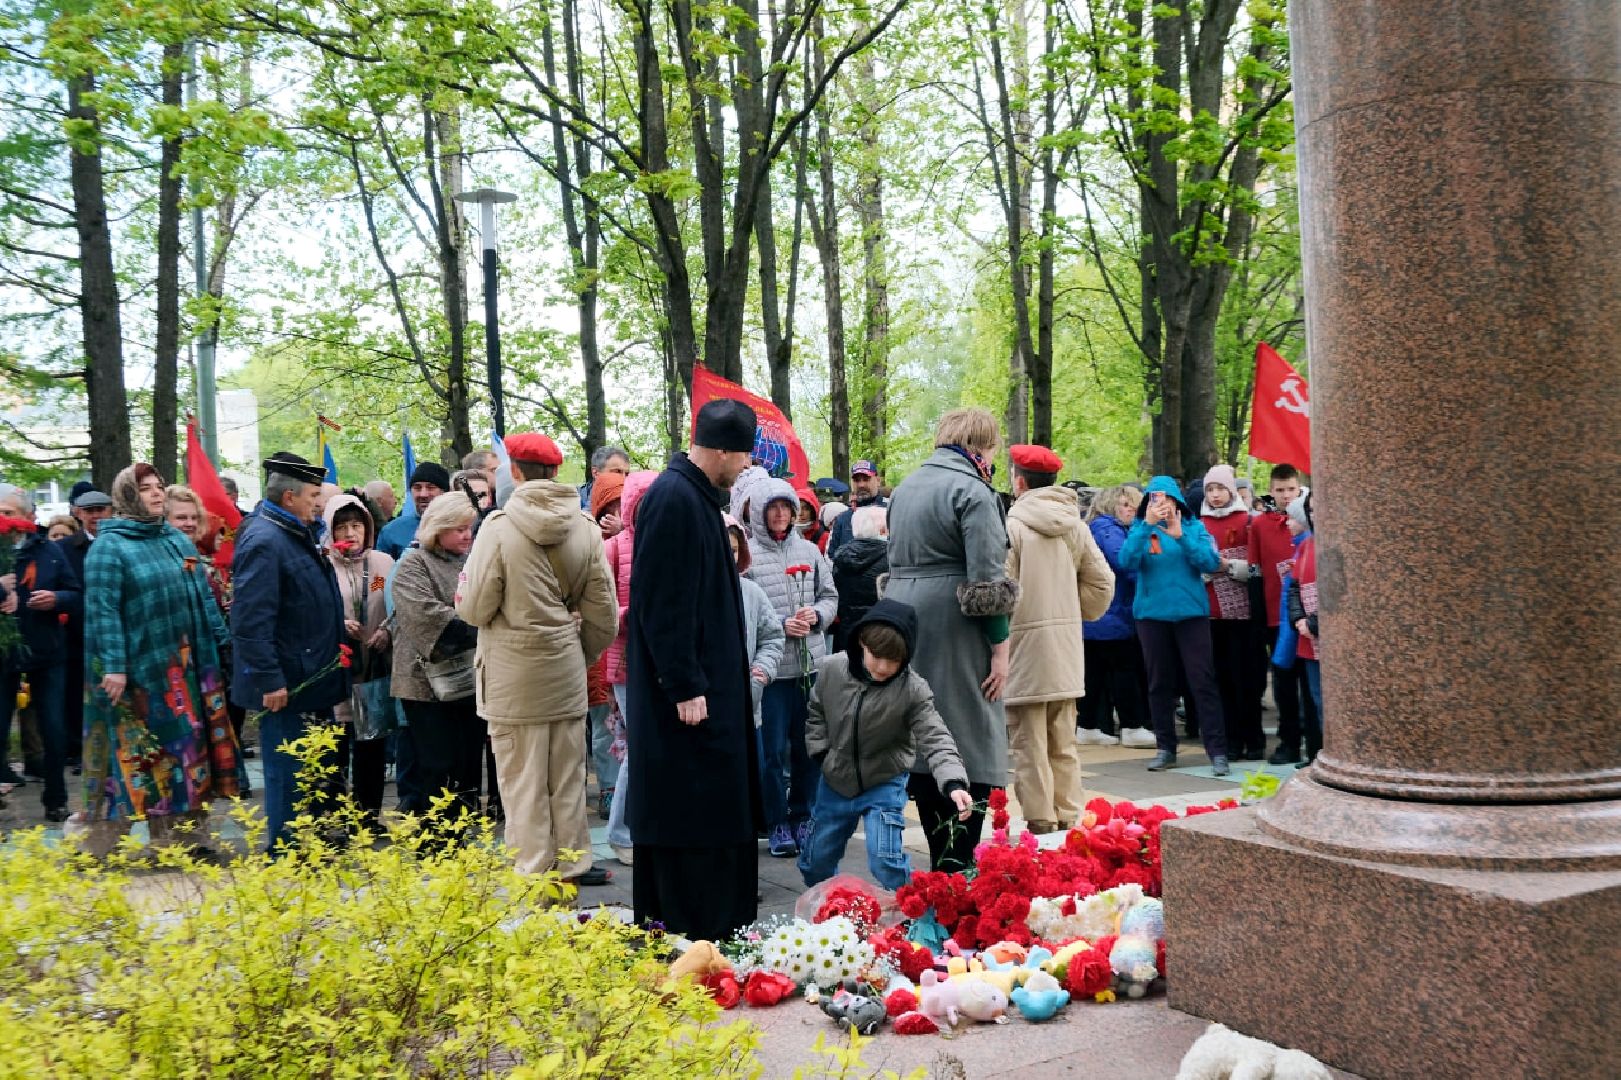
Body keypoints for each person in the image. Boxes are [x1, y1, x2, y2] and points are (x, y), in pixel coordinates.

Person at [625, 398, 764, 943]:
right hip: (687, 695)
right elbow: (663, 601)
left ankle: (719, 922)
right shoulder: (674, 499)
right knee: (691, 807)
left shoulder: (696, 497)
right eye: (743, 456)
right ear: (723, 450)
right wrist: (682, 682)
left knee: (714, 804)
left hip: (710, 686)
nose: (746, 466)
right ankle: (689, 926)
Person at [457, 433, 618, 885]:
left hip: (511, 683)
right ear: (556, 470)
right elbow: (604, 618)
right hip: (565, 678)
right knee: (567, 787)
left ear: (515, 471)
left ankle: (533, 887)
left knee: (523, 789)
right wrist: (573, 654)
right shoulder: (586, 527)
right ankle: (571, 876)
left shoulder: (498, 527)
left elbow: (473, 608)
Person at [80, 464, 242, 854]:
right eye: (146, 488)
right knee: (136, 762)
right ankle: (98, 848)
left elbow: (202, 597)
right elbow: (103, 611)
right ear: (127, 496)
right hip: (139, 675)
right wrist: (115, 667)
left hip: (186, 671)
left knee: (188, 755)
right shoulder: (109, 546)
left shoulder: (176, 540)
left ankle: (187, 843)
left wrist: (224, 645)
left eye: (158, 486)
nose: (156, 493)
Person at [885, 407, 1017, 872]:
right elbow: (987, 585)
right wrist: (1000, 650)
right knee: (970, 732)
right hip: (954, 625)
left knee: (922, 730)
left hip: (904, 619)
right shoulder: (974, 491)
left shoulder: (905, 487)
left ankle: (942, 853)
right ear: (983, 446)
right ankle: (956, 864)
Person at [799, 599, 971, 890]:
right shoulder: (831, 669)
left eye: (893, 660)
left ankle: (916, 912)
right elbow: (816, 712)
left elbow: (936, 737)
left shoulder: (912, 689)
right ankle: (832, 911)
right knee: (815, 863)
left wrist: (954, 782)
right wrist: (821, 754)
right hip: (835, 779)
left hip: (884, 781)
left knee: (885, 859)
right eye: (876, 656)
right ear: (861, 643)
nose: (883, 667)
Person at [231, 452, 349, 852]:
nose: (320, 502)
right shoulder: (265, 540)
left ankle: (307, 839)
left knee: (310, 766)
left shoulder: (293, 532)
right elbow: (251, 620)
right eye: (314, 494)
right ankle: (287, 849)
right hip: (287, 684)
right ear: (289, 498)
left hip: (310, 675)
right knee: (287, 768)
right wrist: (269, 678)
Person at [1002, 445, 1115, 835]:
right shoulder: (1076, 525)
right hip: (1065, 650)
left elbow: (1003, 592)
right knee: (1064, 742)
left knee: (1028, 744)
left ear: (1019, 481)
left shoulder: (1011, 527)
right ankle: (1070, 818)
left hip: (1022, 650)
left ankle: (1041, 821)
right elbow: (1102, 583)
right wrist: (1070, 613)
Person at [745, 478, 839, 858]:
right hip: (772, 673)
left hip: (809, 667)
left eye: (788, 507)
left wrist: (815, 615)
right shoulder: (748, 555)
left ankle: (803, 815)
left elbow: (830, 596)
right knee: (769, 754)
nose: (782, 514)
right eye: (774, 508)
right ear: (759, 512)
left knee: (809, 747)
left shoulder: (811, 552)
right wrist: (780, 625)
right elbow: (747, 612)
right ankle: (776, 821)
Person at [1117, 476, 1228, 775]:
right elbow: (1126, 560)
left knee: (1202, 681)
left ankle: (1217, 751)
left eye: (1166, 497)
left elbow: (1210, 562)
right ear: (1148, 502)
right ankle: (1166, 748)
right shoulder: (1141, 529)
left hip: (1191, 615)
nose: (1161, 503)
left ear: (1177, 501)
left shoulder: (1194, 527)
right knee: (1159, 684)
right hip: (1152, 616)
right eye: (1154, 498)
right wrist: (1145, 527)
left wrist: (1181, 536)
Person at [390, 493, 485, 836]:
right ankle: (436, 840)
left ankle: (458, 834)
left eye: (469, 528)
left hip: (468, 679)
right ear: (438, 528)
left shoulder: (469, 561)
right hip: (424, 682)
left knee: (466, 760)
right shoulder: (414, 562)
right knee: (437, 763)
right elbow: (424, 614)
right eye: (459, 529)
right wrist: (479, 622)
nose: (467, 535)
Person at [0, 485, 81, 820]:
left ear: (28, 517)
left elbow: (74, 592)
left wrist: (56, 599)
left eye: (8, 513)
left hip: (46, 650)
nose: (2, 519)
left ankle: (56, 799)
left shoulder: (49, 550)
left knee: (53, 725)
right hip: (3, 654)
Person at [323, 492, 393, 829]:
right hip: (337, 671)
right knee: (336, 746)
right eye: (341, 527)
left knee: (371, 746)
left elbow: (386, 600)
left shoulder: (380, 565)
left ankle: (368, 817)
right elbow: (315, 611)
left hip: (372, 668)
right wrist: (337, 626)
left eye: (356, 525)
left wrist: (385, 630)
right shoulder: (322, 565)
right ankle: (336, 817)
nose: (350, 533)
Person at [601, 469, 658, 865]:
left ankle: (645, 825)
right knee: (638, 750)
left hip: (663, 661)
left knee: (653, 748)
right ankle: (621, 832)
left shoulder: (667, 543)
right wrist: (632, 614)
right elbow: (596, 610)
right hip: (626, 662)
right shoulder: (614, 548)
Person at [1250, 463, 1318, 764]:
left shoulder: (1309, 525)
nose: (1286, 495)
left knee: (1312, 688)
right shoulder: (1262, 525)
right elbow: (1255, 571)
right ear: (1271, 490)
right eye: (1279, 490)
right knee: (1284, 687)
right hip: (1277, 620)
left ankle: (1316, 745)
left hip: (1307, 622)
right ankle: (1288, 742)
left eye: (1291, 489)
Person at [1199, 464, 1267, 761]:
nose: (1215, 495)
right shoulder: (1198, 523)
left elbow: (1256, 566)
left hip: (1244, 614)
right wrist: (1206, 566)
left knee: (1248, 680)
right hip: (1212, 614)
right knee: (1222, 680)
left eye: (1220, 489)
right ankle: (1230, 741)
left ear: (1230, 491)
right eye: (1210, 490)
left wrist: (1226, 565)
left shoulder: (1249, 521)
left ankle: (1254, 740)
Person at [1079, 485, 1153, 747]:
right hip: (1112, 614)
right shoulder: (1108, 530)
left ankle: (1086, 724)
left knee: (1095, 673)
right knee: (1124, 672)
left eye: (1133, 504)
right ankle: (1131, 726)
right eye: (1125, 504)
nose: (1131, 509)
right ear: (1110, 504)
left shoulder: (1097, 527)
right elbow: (1124, 562)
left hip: (1100, 615)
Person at [59, 488, 112, 770]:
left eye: (101, 509)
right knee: (77, 697)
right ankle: (80, 752)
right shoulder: (65, 548)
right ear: (78, 514)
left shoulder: (119, 543)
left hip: (112, 634)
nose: (96, 516)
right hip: (77, 635)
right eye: (89, 511)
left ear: (110, 511)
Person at [724, 513, 785, 733]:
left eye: (732, 550)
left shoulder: (751, 592)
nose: (727, 556)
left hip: (748, 711)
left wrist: (760, 673)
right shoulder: (689, 595)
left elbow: (772, 637)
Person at [1283, 491, 1324, 764]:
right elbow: (1295, 587)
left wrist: (1315, 622)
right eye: (1308, 509)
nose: (1312, 514)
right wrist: (1299, 619)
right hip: (1308, 638)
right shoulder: (1307, 545)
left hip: (1324, 633)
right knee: (1318, 700)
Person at [831, 505, 889, 653]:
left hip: (847, 630)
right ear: (883, 529)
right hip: (882, 632)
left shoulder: (841, 557)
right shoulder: (891, 557)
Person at [376, 462, 450, 558]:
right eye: (417, 488)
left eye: (431, 487)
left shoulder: (460, 527)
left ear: (445, 492)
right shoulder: (392, 531)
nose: (423, 494)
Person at [826, 459, 886, 558]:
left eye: (866, 479)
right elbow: (830, 557)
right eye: (857, 480)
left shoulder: (891, 512)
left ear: (878, 481)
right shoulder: (842, 519)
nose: (861, 485)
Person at [578, 445, 630, 510]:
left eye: (627, 474)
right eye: (617, 472)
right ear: (596, 473)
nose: (624, 478)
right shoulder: (575, 499)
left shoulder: (632, 501)